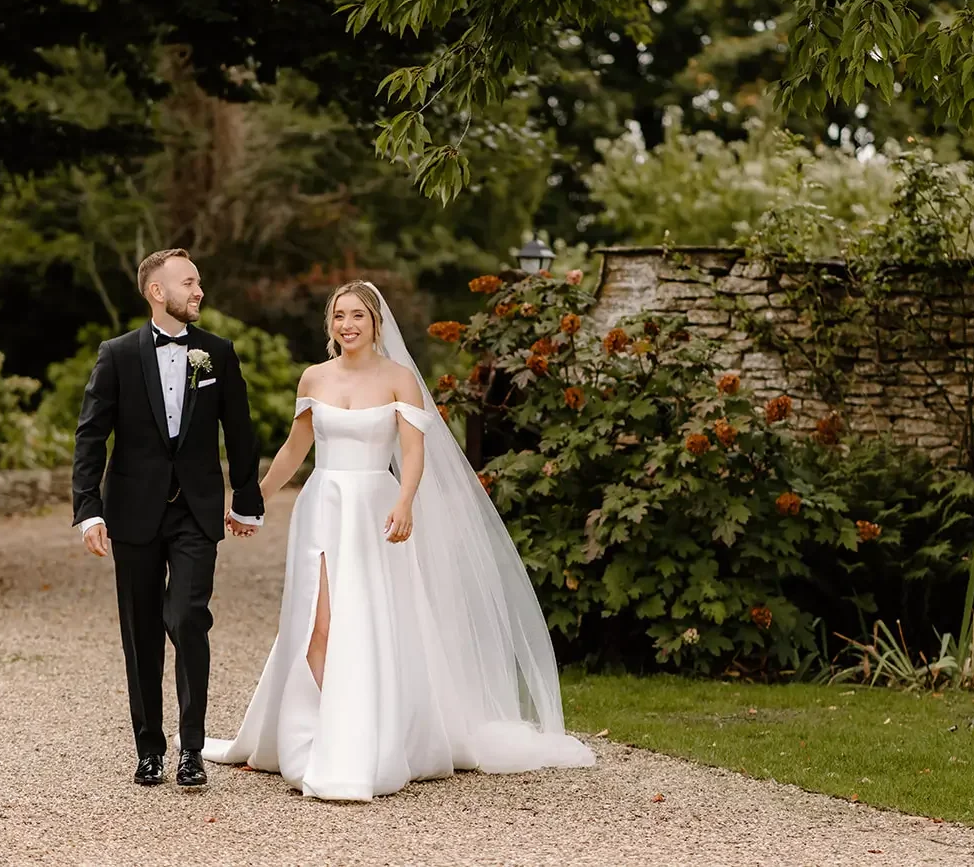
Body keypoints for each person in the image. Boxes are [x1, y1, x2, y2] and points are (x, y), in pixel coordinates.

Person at [204, 280, 594, 800]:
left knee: (369, 621)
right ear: (330, 323)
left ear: (375, 323)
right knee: (315, 625)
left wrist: (406, 500)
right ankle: (325, 732)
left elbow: (412, 452)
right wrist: (254, 499)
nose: (347, 325)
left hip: (375, 510)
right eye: (339, 316)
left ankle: (366, 739)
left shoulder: (399, 380)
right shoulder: (314, 377)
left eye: (357, 316)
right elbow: (296, 448)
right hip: (322, 508)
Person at [71, 248, 265, 788]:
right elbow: (91, 435)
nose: (199, 290)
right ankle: (150, 749)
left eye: (199, 281)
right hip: (131, 511)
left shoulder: (218, 354)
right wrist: (88, 510)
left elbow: (241, 433)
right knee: (140, 631)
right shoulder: (117, 355)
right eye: (189, 282)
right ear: (157, 291)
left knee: (186, 617)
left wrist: (247, 499)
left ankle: (192, 749)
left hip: (197, 513)